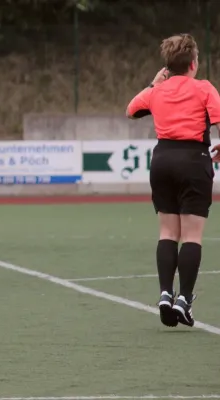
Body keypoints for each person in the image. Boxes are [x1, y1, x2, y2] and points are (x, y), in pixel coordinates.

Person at [127, 33, 220, 328]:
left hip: (163, 160)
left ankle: (166, 294)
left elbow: (132, 110)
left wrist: (155, 84)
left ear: (167, 65)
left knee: (168, 231)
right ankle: (185, 300)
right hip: (194, 160)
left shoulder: (158, 90)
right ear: (193, 64)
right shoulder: (204, 88)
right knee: (192, 236)